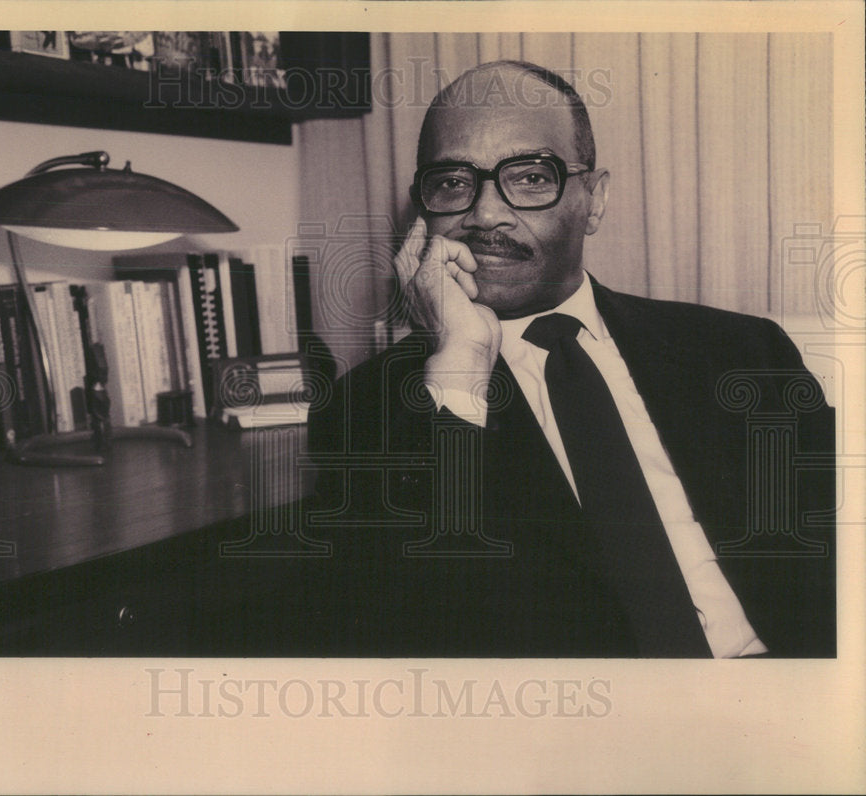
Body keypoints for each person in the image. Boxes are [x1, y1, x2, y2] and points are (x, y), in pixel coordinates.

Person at [305, 60, 836, 658]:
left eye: (531, 177)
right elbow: (418, 631)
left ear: (595, 199)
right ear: (422, 211)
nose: (484, 214)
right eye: (452, 182)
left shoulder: (741, 352)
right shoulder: (366, 409)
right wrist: (461, 366)